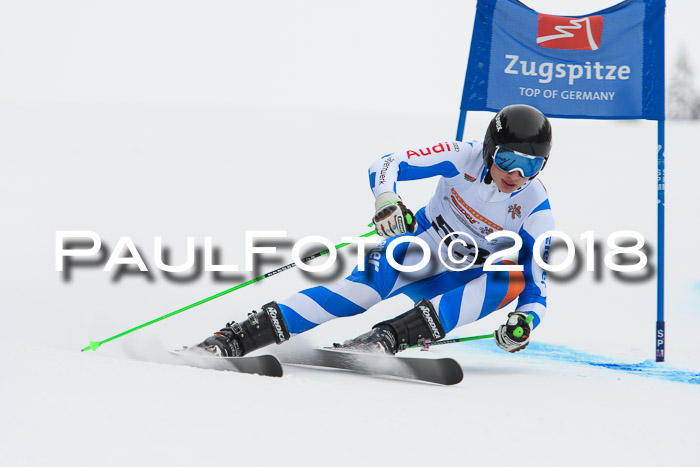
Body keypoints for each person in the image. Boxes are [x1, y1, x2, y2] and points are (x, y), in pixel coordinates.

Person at [195, 104, 554, 357]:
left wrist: (524, 321)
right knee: (358, 294)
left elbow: (538, 288)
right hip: (420, 249)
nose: (516, 175)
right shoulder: (464, 156)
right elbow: (388, 163)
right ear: (491, 150)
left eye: (531, 166)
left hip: (460, 282)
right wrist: (387, 200)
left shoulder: (536, 210)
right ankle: (239, 336)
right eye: (508, 160)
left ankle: (388, 337)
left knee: (512, 280)